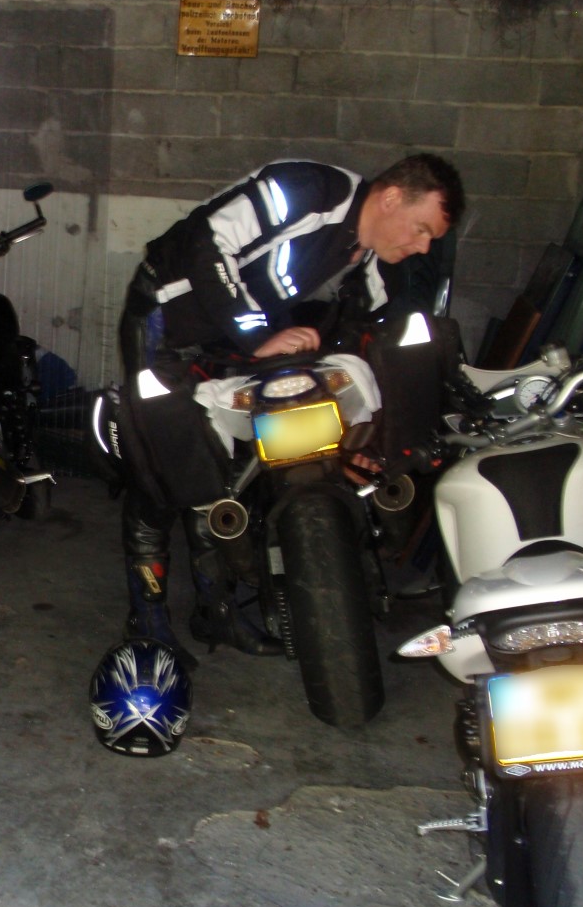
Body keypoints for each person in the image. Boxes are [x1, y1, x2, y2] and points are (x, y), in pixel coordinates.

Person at [117, 153, 466, 664]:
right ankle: (146, 618)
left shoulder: (366, 259)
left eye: (431, 239)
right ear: (392, 198)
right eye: (421, 229)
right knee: (159, 466)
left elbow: (364, 335)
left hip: (226, 340)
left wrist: (367, 435)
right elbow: (209, 241)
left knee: (220, 474)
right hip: (166, 321)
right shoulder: (310, 190)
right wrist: (257, 333)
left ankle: (216, 610)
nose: (422, 246)